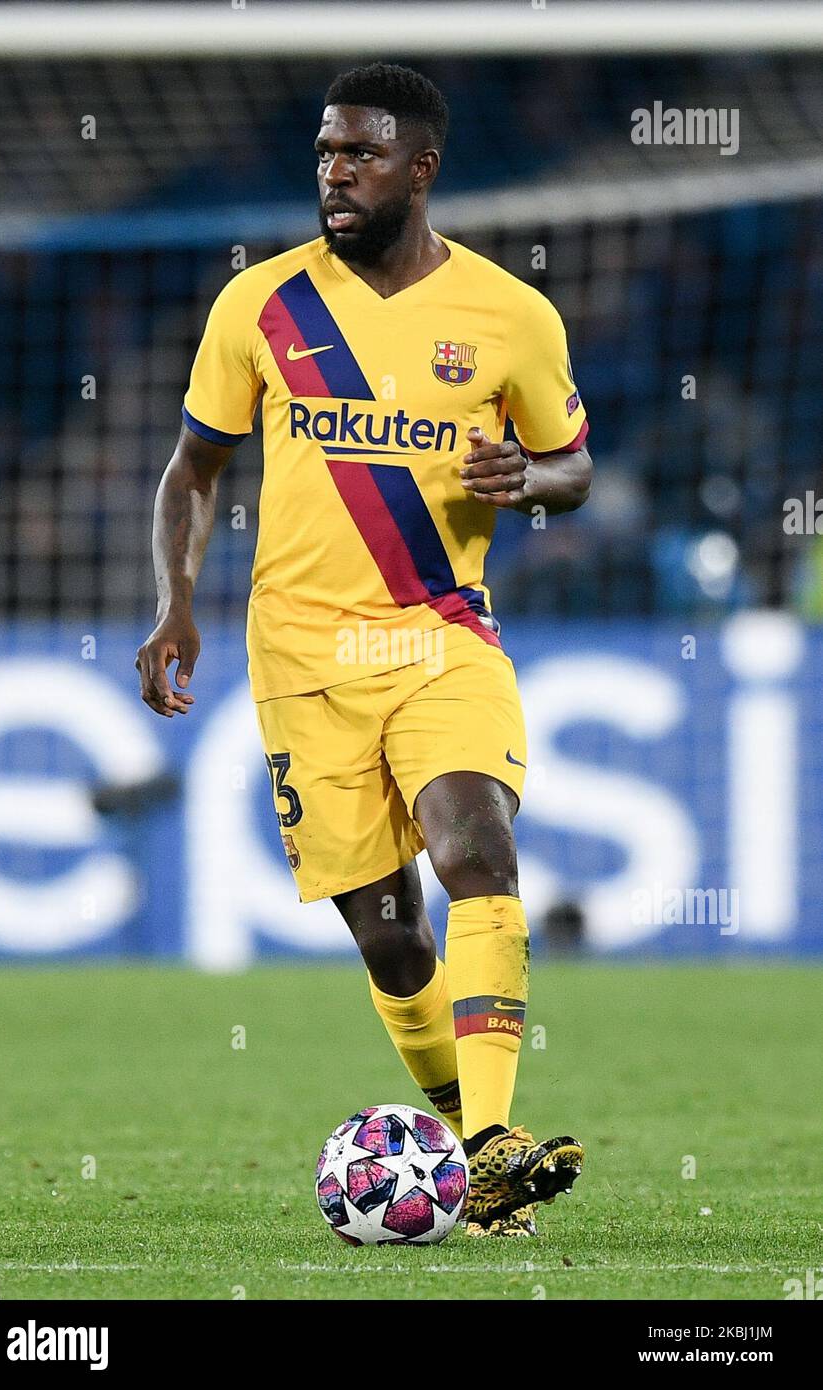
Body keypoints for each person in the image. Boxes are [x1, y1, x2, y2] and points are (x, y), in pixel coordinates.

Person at [136, 63, 591, 1236]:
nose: (335, 174)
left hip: (441, 635)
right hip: (298, 657)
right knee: (393, 939)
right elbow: (193, 470)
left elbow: (574, 465)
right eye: (325, 153)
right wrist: (174, 601)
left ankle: (487, 1146)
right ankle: (463, 1144)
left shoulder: (509, 315)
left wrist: (526, 479)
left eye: (362, 156)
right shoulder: (262, 305)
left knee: (475, 848)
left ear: (420, 169)